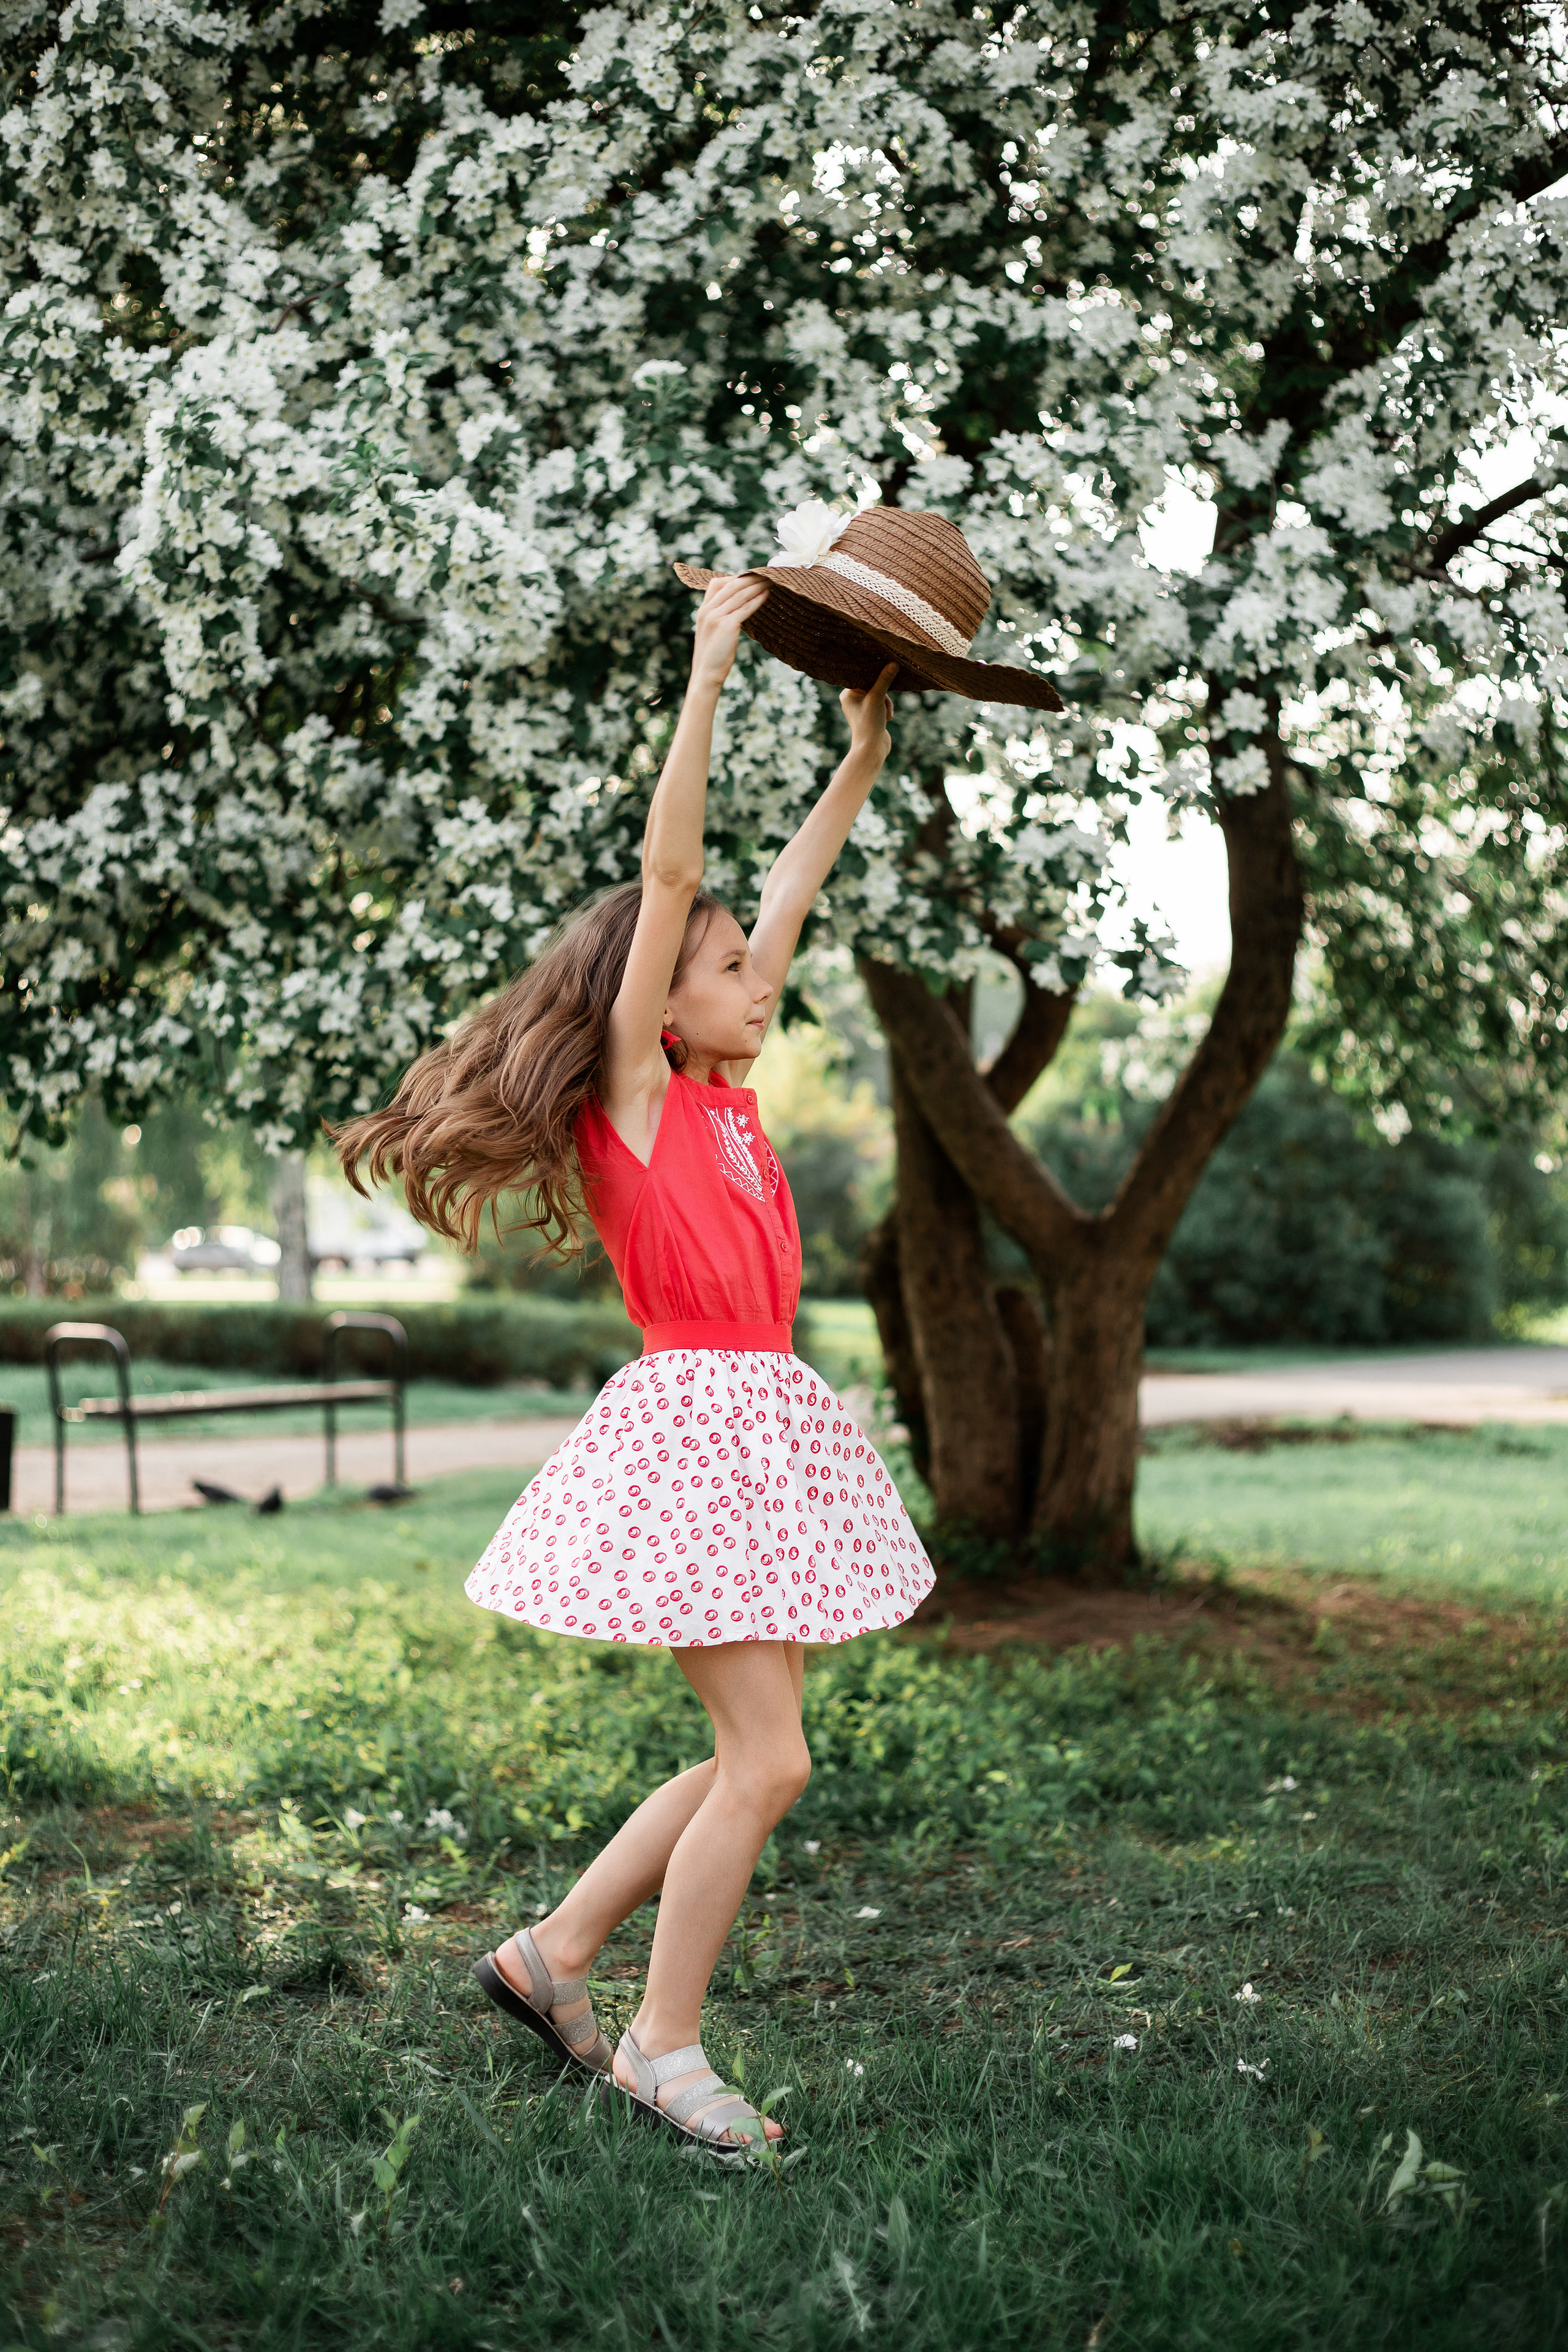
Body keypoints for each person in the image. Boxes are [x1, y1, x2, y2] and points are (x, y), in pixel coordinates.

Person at [336, 568, 933, 2155]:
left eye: (754, 968)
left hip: (764, 1421)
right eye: (732, 970)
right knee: (771, 1756)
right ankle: (663, 2048)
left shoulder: (727, 1091)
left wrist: (862, 753)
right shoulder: (645, 1098)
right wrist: (714, 660)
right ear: (663, 1010)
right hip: (692, 1423)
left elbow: (787, 884)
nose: (760, 981)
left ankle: (558, 1956)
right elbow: (675, 872)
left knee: (753, 1752)